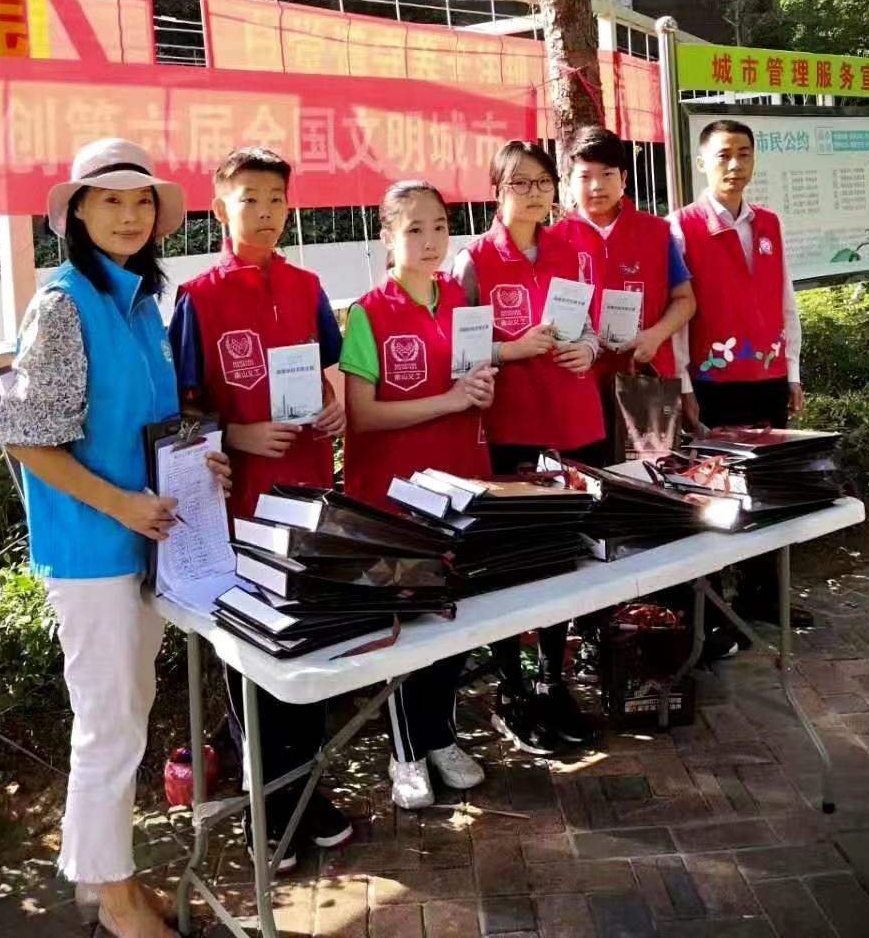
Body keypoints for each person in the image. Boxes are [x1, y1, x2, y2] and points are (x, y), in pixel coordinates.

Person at [0, 138, 222, 938]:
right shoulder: (64, 304)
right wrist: (122, 505)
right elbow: (24, 437)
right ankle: (116, 900)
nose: (129, 216)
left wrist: (198, 462)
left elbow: (150, 426)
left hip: (142, 542)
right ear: (78, 215)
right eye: (110, 201)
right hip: (94, 551)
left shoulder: (140, 302)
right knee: (109, 725)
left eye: (141, 202)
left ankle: (107, 878)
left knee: (124, 715)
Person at [169, 145, 351, 872]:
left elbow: (325, 374)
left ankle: (305, 789)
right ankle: (265, 811)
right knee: (253, 655)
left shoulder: (307, 287)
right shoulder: (198, 298)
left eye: (277, 199)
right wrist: (236, 435)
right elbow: (181, 411)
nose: (266, 212)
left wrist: (332, 409)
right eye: (250, 199)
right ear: (221, 208)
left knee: (308, 645)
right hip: (240, 505)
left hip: (311, 496)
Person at [341, 180, 494, 810]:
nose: (430, 241)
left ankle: (440, 736)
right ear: (387, 237)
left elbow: (473, 382)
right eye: (413, 229)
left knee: (454, 618)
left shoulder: (460, 299)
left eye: (439, 227)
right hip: (394, 500)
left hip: (460, 488)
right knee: (405, 626)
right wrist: (451, 401)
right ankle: (404, 752)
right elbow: (362, 415)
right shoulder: (368, 313)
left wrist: (478, 391)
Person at [453, 140, 602, 756]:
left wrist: (587, 348)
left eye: (543, 182)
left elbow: (590, 327)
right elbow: (457, 348)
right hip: (510, 426)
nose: (534, 193)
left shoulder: (570, 248)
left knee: (563, 556)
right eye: (520, 183)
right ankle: (511, 689)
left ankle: (552, 680)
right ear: (496, 191)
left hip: (572, 419)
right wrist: (511, 349)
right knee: (513, 561)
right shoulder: (473, 260)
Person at [670, 118, 812, 631]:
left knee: (768, 490)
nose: (735, 165)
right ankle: (716, 609)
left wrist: (792, 370)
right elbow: (676, 312)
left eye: (744, 154)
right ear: (702, 163)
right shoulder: (681, 227)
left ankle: (762, 596)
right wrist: (684, 384)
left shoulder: (769, 223)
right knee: (714, 496)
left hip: (768, 380)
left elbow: (785, 299)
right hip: (714, 387)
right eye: (724, 155)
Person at [554, 125, 695, 464]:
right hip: (580, 383)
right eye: (585, 176)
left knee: (650, 479)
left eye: (607, 174)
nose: (597, 186)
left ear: (624, 179)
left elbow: (686, 299)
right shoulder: (554, 241)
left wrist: (655, 335)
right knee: (587, 478)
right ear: (568, 182)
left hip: (645, 378)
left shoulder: (657, 232)